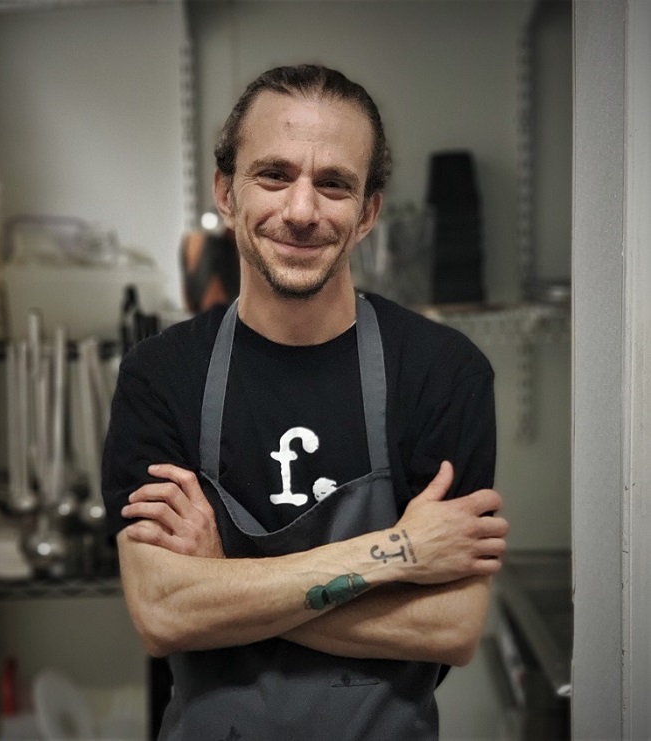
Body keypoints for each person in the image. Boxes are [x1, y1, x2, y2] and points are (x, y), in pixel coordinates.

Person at [102, 64, 508, 740]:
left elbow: (451, 627)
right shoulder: (160, 377)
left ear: (368, 212)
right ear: (226, 192)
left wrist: (223, 582)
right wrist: (399, 550)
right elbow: (162, 613)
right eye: (273, 174)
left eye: (334, 184)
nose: (300, 211)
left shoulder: (443, 374)